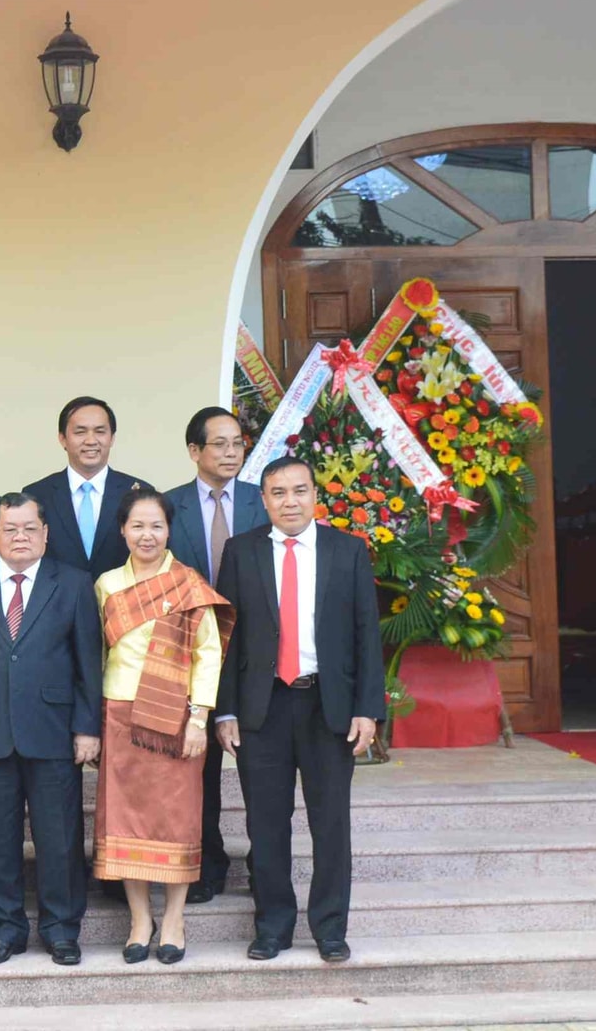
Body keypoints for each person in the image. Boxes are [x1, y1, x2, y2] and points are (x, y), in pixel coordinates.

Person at [216, 455, 385, 965]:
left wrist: (368, 710)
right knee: (266, 824)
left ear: (316, 495)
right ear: (263, 500)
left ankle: (330, 928)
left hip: (326, 705)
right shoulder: (240, 552)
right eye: (278, 492)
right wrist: (224, 712)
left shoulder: (347, 551)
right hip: (260, 708)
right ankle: (272, 926)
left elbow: (366, 637)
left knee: (330, 823)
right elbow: (226, 638)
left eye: (299, 491)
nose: (289, 501)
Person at [0, 493, 103, 967]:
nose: (20, 537)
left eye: (29, 528)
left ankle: (61, 929)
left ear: (45, 533)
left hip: (55, 731)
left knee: (58, 836)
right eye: (10, 529)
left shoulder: (75, 584)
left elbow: (88, 663)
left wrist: (87, 727)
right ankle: (3, 930)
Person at [91, 488, 230, 966]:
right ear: (123, 531)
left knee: (176, 819)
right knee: (125, 817)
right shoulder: (107, 584)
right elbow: (97, 654)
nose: (146, 535)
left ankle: (173, 918)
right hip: (120, 714)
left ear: (169, 530)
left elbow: (208, 653)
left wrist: (199, 717)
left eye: (156, 526)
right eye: (137, 526)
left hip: (176, 716)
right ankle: (139, 920)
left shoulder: (189, 583)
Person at [161, 406, 260, 903]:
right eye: (219, 444)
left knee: (259, 766)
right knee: (196, 772)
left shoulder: (264, 502)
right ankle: (206, 863)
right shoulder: (167, 507)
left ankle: (265, 866)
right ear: (194, 451)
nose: (230, 452)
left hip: (254, 657)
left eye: (237, 443)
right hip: (190, 655)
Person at [25, 396, 147, 579]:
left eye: (100, 431)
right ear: (62, 439)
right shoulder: (37, 495)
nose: (91, 441)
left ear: (112, 438)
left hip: (124, 602)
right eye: (80, 432)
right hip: (58, 603)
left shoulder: (139, 493)